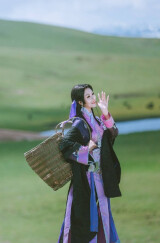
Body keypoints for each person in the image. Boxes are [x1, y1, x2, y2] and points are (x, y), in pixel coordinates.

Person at [57, 84, 121, 243]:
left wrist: (105, 112)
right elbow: (65, 145)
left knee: (103, 214)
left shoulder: (98, 121)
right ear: (80, 102)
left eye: (92, 94)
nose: (93, 98)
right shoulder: (78, 123)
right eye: (88, 96)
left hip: (101, 177)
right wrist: (86, 149)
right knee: (84, 218)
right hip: (86, 179)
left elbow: (113, 133)